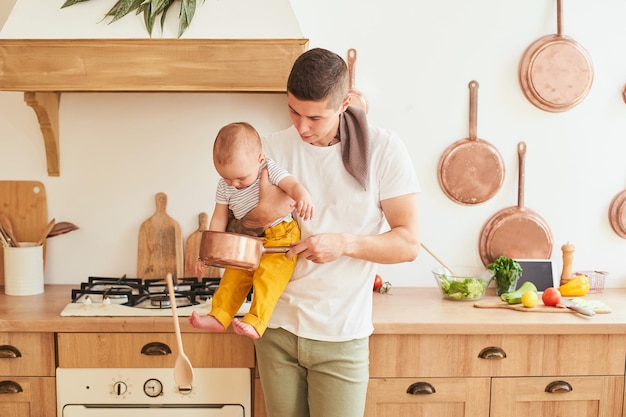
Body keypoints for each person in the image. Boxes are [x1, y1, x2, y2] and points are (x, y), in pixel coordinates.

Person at [231, 48, 420, 417]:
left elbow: (408, 242)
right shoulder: (269, 150)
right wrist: (257, 216)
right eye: (293, 111)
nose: (301, 127)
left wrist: (344, 243)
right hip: (276, 330)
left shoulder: (384, 150)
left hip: (342, 335)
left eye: (315, 117)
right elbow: (241, 229)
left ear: (344, 103)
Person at [189, 121, 314, 340]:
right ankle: (219, 316)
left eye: (240, 178)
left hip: (280, 234)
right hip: (246, 239)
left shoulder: (269, 169)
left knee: (268, 278)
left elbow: (292, 186)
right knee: (233, 275)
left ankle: (256, 321)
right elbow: (219, 216)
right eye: (227, 177)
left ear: (260, 160)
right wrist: (207, 251)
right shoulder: (224, 185)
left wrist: (303, 197)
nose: (234, 184)